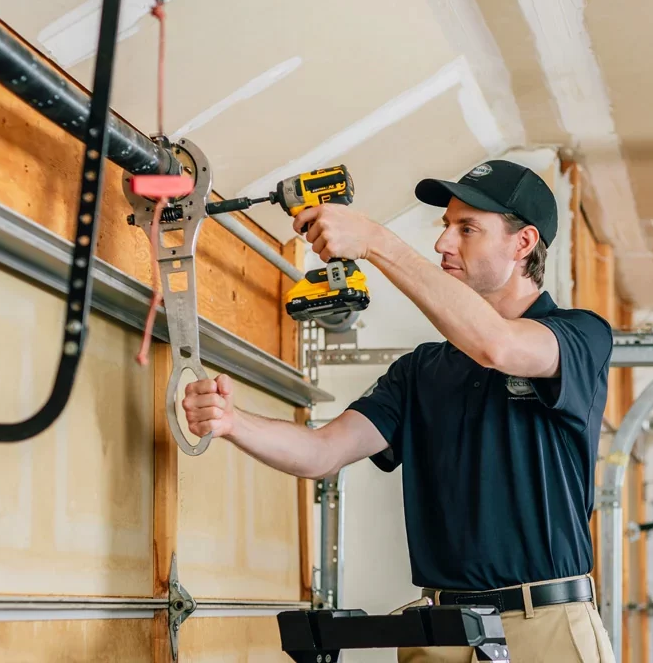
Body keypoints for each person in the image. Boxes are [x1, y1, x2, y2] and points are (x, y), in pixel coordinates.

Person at [183, 159, 616, 662]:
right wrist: (233, 423)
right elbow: (321, 452)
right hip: (442, 630)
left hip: (544, 628)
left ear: (523, 244)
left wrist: (376, 241)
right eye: (445, 226)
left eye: (467, 228)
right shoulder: (422, 370)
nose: (443, 244)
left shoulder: (581, 336)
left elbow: (497, 346)